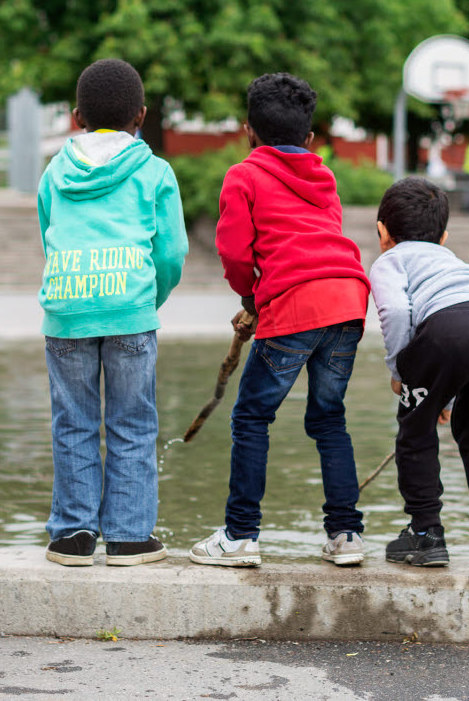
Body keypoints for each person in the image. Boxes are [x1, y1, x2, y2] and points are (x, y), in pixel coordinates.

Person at [189, 72, 370, 569]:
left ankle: (241, 535)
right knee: (329, 418)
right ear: (310, 139)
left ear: (248, 129)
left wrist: (252, 296)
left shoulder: (243, 175)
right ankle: (346, 535)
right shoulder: (323, 174)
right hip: (349, 298)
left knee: (251, 417)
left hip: (295, 304)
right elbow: (323, 234)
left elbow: (233, 253)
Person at [37, 58, 188, 568]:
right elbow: (171, 252)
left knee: (72, 421)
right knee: (132, 423)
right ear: (141, 115)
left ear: (77, 117)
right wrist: (149, 298)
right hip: (129, 308)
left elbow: (48, 233)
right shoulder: (154, 170)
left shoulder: (55, 170)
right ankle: (127, 537)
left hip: (67, 307)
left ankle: (73, 535)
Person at [369, 177, 469, 570]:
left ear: (382, 232)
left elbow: (396, 312)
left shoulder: (391, 259)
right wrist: (447, 396)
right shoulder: (456, 262)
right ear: (443, 237)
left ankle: (425, 533)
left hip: (449, 328)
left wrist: (400, 370)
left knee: (415, 431)